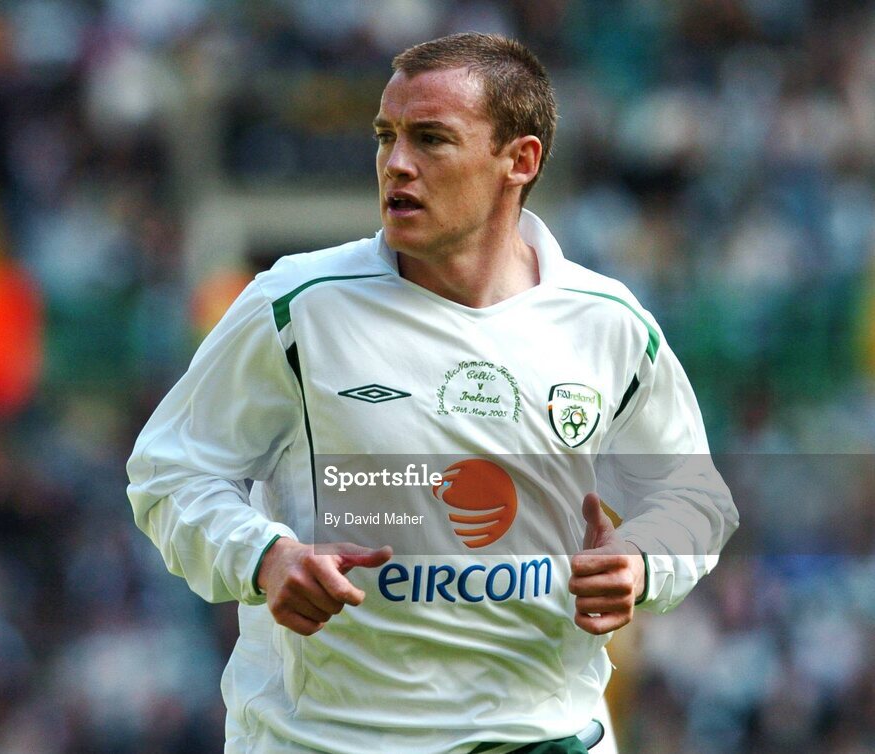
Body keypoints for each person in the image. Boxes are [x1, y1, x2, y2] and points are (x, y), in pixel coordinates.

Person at [127, 32, 738, 754]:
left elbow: (693, 499)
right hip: (328, 741)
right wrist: (263, 556)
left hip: (545, 738)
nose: (396, 164)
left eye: (431, 139)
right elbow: (171, 473)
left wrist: (642, 563)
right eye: (385, 137)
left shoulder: (607, 326)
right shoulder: (293, 306)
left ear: (520, 160)